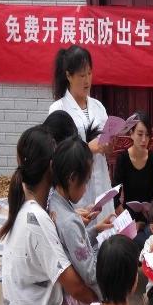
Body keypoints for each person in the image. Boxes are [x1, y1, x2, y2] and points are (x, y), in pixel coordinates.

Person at [0, 126, 97, 305]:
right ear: (52, 166)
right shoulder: (36, 220)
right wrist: (106, 304)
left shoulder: (31, 206)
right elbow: (75, 286)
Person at [48, 136, 115, 305]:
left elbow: (75, 246)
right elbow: (90, 273)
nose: (86, 188)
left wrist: (96, 230)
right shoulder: (70, 221)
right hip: (80, 304)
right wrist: (109, 296)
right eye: (85, 181)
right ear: (72, 178)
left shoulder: (53, 200)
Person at [49, 45, 113, 222]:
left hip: (101, 182)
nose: (87, 80)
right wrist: (88, 148)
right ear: (69, 76)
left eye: (89, 74)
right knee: (81, 229)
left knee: (106, 227)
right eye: (82, 75)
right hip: (76, 188)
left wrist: (108, 146)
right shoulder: (58, 109)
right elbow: (57, 152)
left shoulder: (98, 107)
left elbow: (107, 148)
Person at [112, 111, 153, 252]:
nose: (144, 139)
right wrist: (130, 223)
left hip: (148, 218)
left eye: (147, 135)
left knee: (151, 240)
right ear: (131, 133)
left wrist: (148, 215)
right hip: (128, 218)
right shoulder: (123, 159)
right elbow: (115, 197)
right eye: (140, 134)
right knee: (129, 243)